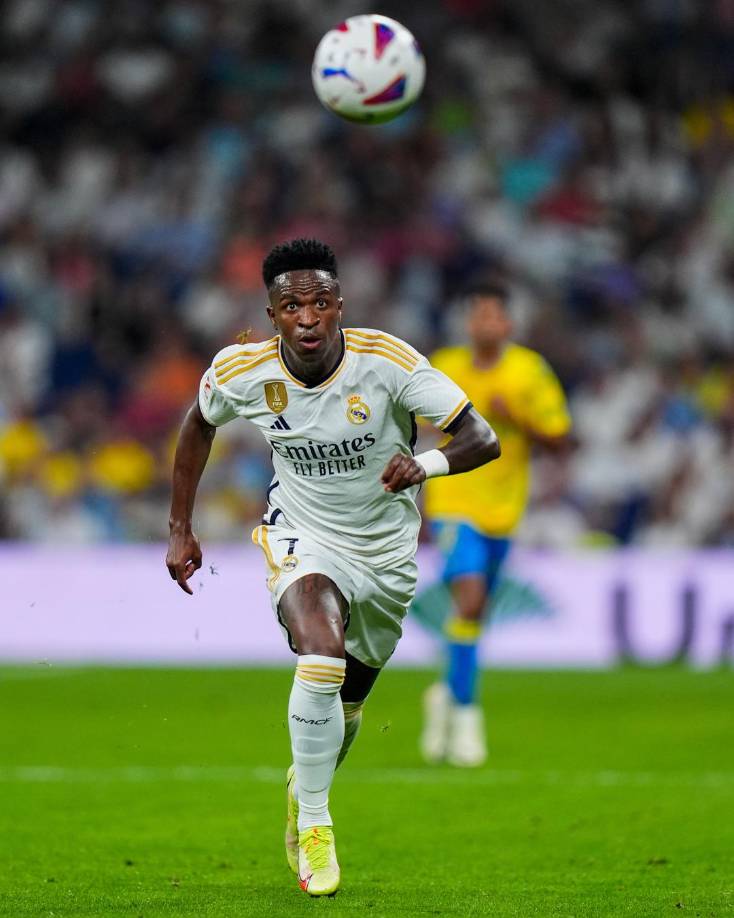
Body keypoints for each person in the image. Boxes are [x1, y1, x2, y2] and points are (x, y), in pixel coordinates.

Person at [165, 239, 500, 897]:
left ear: (340, 306)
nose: (308, 317)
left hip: (386, 556)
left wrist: (424, 464)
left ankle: (305, 786)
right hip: (302, 536)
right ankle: (316, 825)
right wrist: (180, 527)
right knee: (319, 652)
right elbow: (198, 424)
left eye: (320, 302)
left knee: (345, 707)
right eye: (292, 306)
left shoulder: (390, 363)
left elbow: (479, 437)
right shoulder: (243, 372)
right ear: (272, 314)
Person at [420, 282, 571, 767]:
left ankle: (445, 693)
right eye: (477, 315)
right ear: (469, 323)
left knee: (474, 614)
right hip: (453, 500)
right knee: (469, 600)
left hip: (504, 511)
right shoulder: (445, 367)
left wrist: (518, 419)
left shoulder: (529, 372)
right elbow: (410, 422)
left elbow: (559, 440)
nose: (485, 324)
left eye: (493, 316)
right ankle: (467, 721)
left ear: (507, 324)